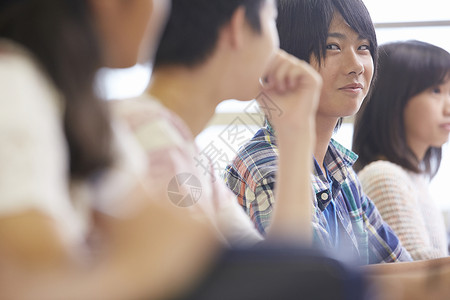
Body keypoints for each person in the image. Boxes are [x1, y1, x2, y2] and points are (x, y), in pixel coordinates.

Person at [0, 0, 219, 299]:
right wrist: (145, 266)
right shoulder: (11, 86)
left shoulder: (85, 111)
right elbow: (27, 287)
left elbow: (150, 219)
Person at [113, 0, 322, 247]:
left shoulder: (186, 153)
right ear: (239, 26)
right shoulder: (149, 139)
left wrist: (295, 131)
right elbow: (277, 278)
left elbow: (278, 270)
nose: (277, 48)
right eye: (271, 19)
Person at [353, 40, 450, 260]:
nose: (448, 106)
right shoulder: (384, 176)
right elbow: (420, 277)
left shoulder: (413, 180)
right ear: (393, 99)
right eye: (436, 90)